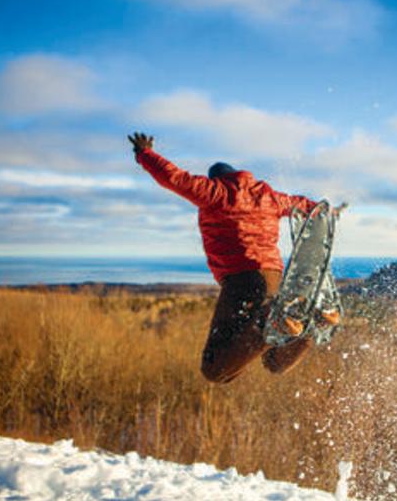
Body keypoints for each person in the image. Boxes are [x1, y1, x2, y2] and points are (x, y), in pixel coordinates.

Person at [128, 132, 343, 384]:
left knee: (216, 368)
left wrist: (145, 154)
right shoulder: (267, 195)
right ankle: (312, 325)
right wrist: (327, 211)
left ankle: (269, 320)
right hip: (273, 280)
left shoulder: (214, 191)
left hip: (241, 280)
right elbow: (300, 204)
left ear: (216, 178)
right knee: (273, 360)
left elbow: (174, 178)